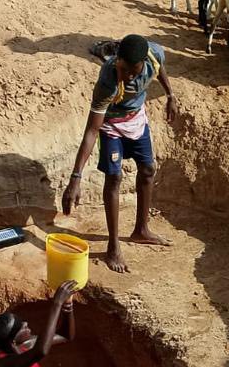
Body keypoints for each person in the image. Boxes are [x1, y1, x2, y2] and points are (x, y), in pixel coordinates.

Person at [62, 34, 178, 273]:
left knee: (148, 170)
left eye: (134, 71)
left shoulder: (153, 54)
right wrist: (76, 177)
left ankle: (141, 230)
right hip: (111, 125)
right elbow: (92, 130)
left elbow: (160, 68)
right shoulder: (108, 80)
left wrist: (170, 95)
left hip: (136, 119)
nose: (130, 77)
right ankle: (113, 246)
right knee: (113, 178)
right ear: (118, 61)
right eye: (125, 70)